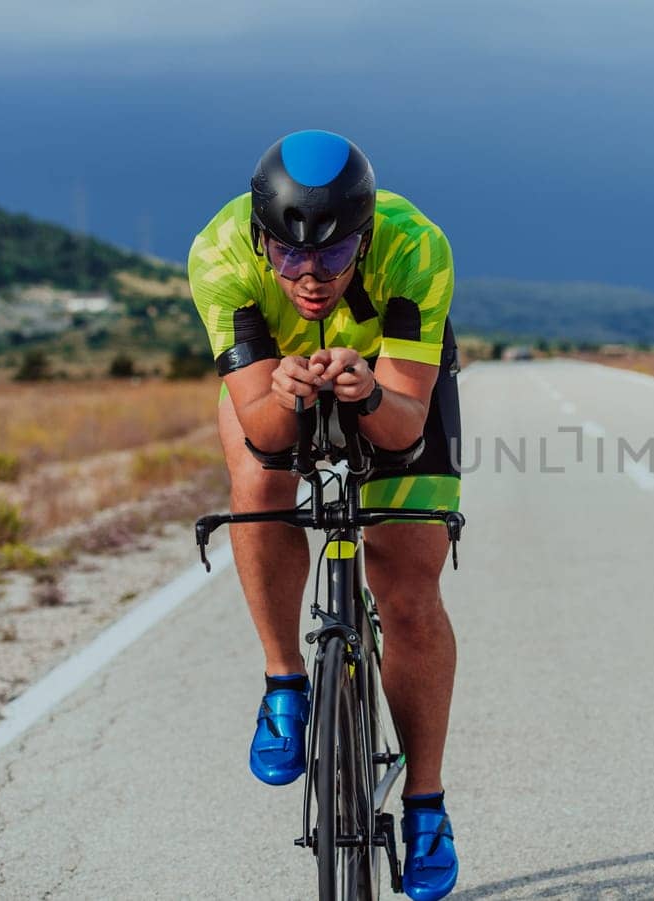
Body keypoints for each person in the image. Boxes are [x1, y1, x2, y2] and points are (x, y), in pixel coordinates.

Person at [188, 129, 461, 900]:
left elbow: (407, 421)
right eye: (291, 258)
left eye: (337, 258)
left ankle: (426, 806)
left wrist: (366, 390)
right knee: (258, 485)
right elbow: (266, 436)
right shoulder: (220, 256)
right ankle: (285, 681)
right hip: (277, 379)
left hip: (395, 385)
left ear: (365, 237)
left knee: (409, 591)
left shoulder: (415, 248)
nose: (312, 278)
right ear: (260, 239)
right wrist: (284, 392)